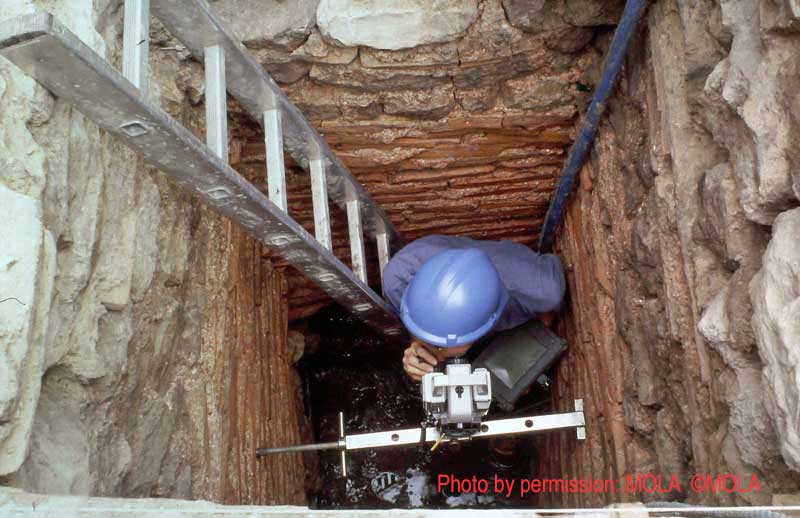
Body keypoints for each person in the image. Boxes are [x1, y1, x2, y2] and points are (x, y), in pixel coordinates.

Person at [382, 235, 567, 381]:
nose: (436, 354)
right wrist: (416, 344)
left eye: (441, 347)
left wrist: (521, 363)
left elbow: (546, 317)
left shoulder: (541, 290)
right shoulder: (398, 280)